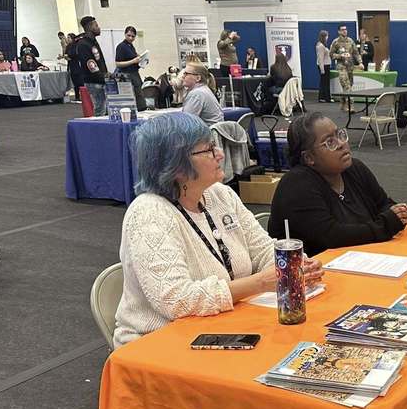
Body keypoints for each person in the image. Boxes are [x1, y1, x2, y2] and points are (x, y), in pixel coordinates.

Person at [113, 112, 323, 348]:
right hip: (160, 342)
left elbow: (263, 251)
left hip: (224, 325)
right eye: (209, 149)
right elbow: (177, 301)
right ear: (176, 165)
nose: (220, 154)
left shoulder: (219, 194)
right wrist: (261, 283)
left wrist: (292, 266)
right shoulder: (149, 213)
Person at [269, 112, 407, 256]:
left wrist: (399, 213)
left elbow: (383, 205)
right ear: (309, 158)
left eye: (340, 135)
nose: (342, 144)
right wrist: (387, 225)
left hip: (364, 258)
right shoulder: (296, 184)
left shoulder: (354, 168)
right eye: (330, 142)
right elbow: (332, 237)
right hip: (315, 270)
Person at [69, 15, 109, 114]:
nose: (98, 27)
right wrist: (102, 76)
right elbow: (90, 65)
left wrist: (106, 74)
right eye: (96, 25)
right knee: (100, 109)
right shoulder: (83, 44)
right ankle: (98, 129)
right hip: (93, 81)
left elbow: (99, 61)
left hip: (101, 80)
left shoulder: (93, 42)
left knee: (106, 109)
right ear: (90, 27)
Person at [115, 25, 147, 111]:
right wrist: (133, 61)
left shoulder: (130, 46)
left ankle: (141, 110)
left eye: (133, 36)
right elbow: (118, 63)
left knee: (139, 94)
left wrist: (141, 60)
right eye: (128, 35)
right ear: (125, 34)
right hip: (126, 74)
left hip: (134, 73)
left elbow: (133, 59)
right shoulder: (121, 46)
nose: (130, 38)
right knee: (132, 97)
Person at [329, 24, 361, 110]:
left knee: (349, 85)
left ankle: (343, 101)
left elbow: (356, 53)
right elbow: (331, 55)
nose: (345, 31)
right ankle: (351, 105)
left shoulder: (350, 41)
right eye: (342, 30)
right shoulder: (335, 42)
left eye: (345, 29)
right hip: (341, 67)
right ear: (339, 31)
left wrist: (360, 63)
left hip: (350, 67)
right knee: (346, 86)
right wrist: (340, 56)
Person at [315, 30, 332, 103]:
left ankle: (325, 97)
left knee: (325, 82)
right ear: (324, 37)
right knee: (324, 83)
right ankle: (324, 98)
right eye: (327, 36)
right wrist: (322, 70)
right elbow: (320, 58)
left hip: (326, 65)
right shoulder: (320, 46)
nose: (328, 37)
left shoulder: (323, 45)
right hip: (324, 66)